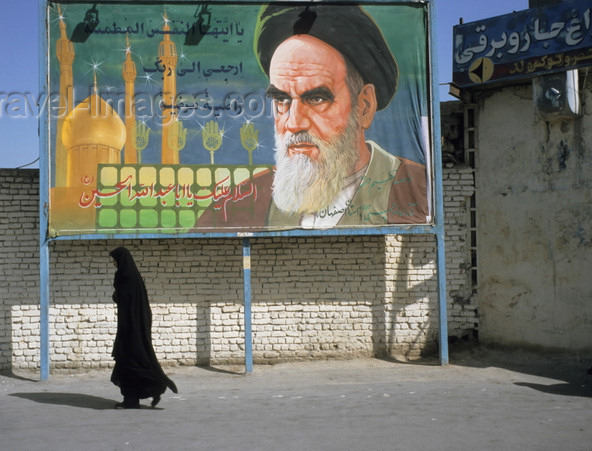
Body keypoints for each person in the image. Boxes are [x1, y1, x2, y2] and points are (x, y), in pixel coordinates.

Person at [194, 3, 428, 231]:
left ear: (364, 106)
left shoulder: (417, 189)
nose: (294, 123)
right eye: (282, 100)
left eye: (316, 99)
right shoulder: (240, 203)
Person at [109, 246, 177, 409]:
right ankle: (139, 395)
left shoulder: (126, 277)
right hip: (133, 325)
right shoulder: (133, 277)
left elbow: (122, 298)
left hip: (131, 328)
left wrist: (116, 294)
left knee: (131, 361)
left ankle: (137, 397)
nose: (113, 263)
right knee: (134, 360)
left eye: (114, 260)